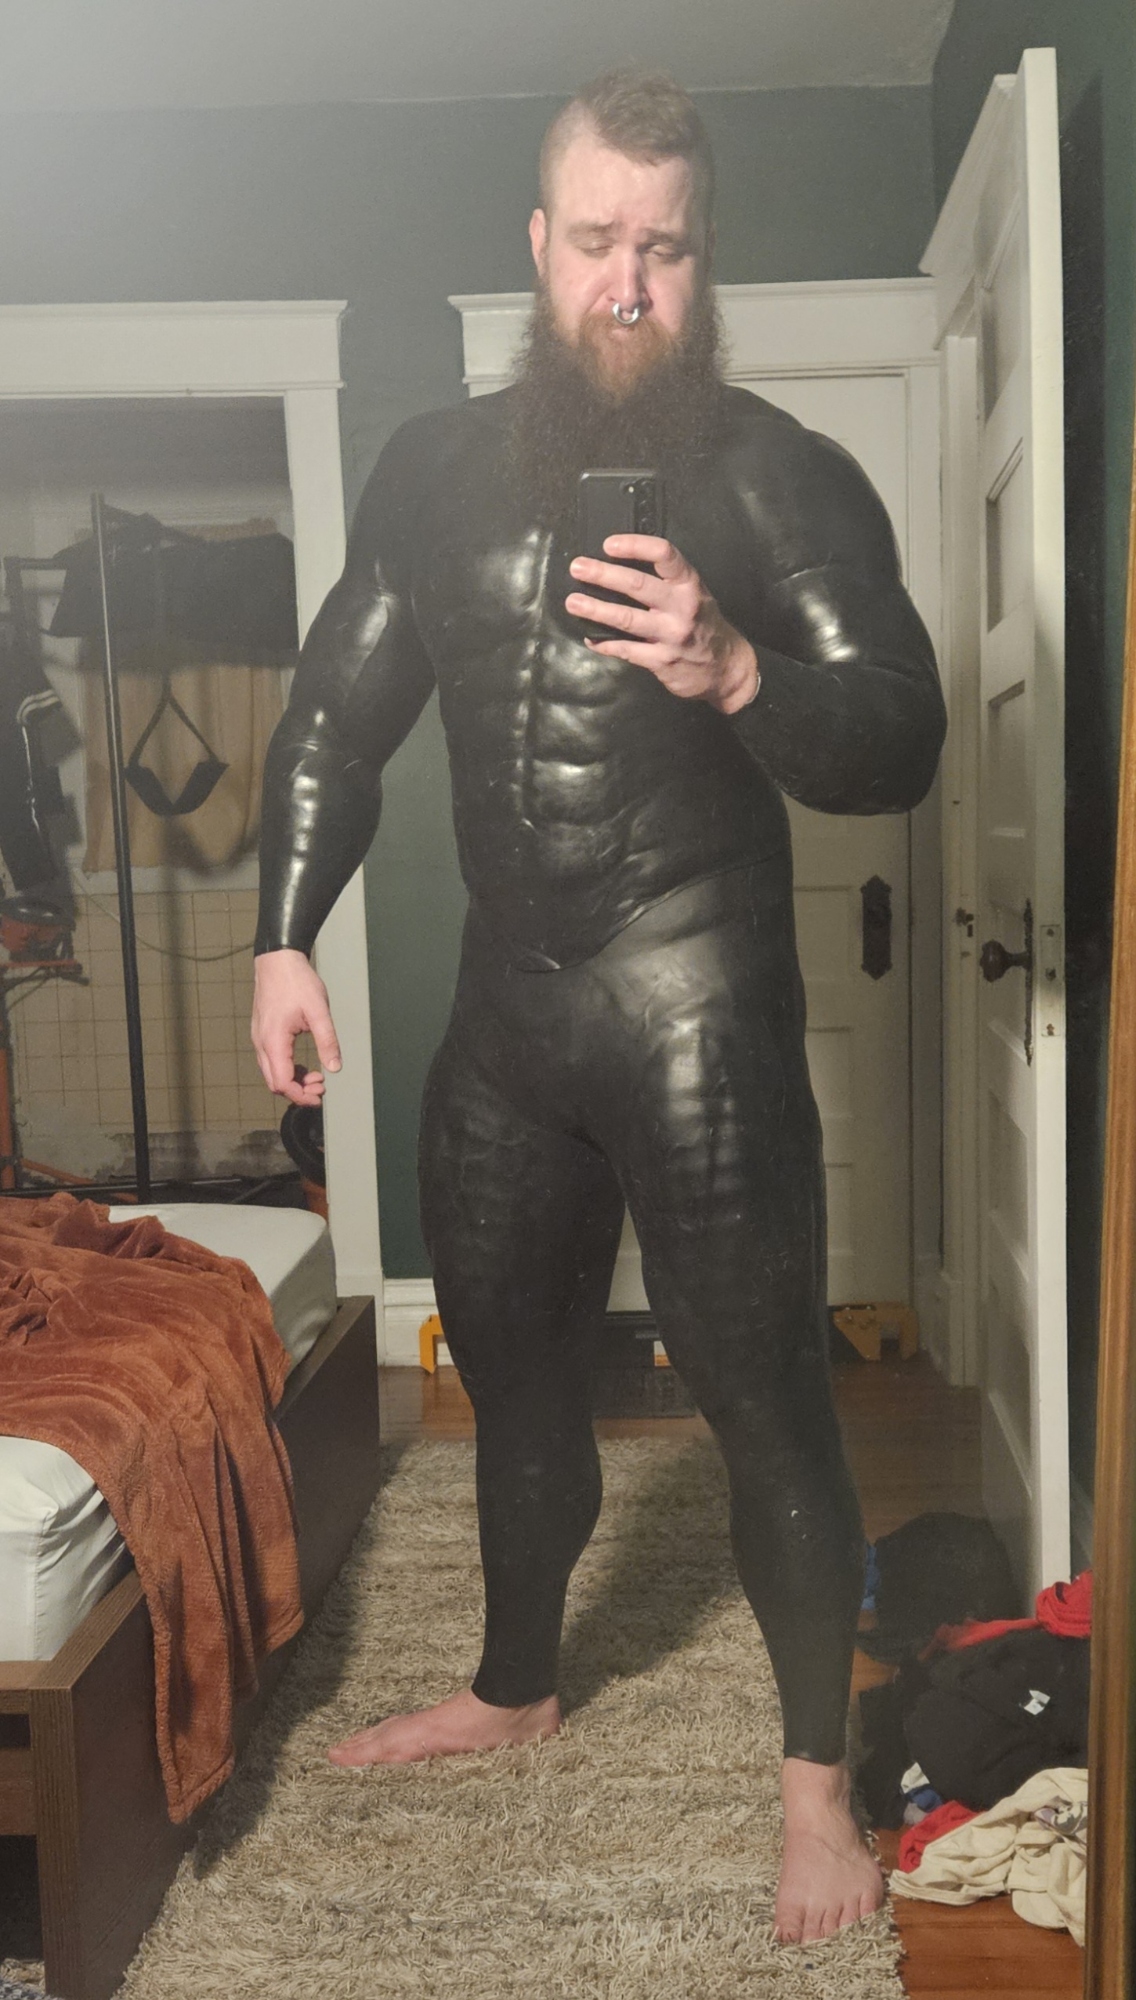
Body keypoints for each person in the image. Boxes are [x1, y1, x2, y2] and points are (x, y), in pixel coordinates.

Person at [251, 69, 946, 1946]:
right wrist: (283, 937)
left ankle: (816, 1793)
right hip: (510, 1013)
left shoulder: (781, 473)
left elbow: (901, 736)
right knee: (514, 1379)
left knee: (764, 1393)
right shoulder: (428, 471)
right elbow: (332, 720)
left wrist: (734, 667)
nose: (627, 284)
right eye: (595, 242)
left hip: (697, 996)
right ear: (538, 244)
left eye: (667, 247)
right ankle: (515, 1682)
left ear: (704, 262)